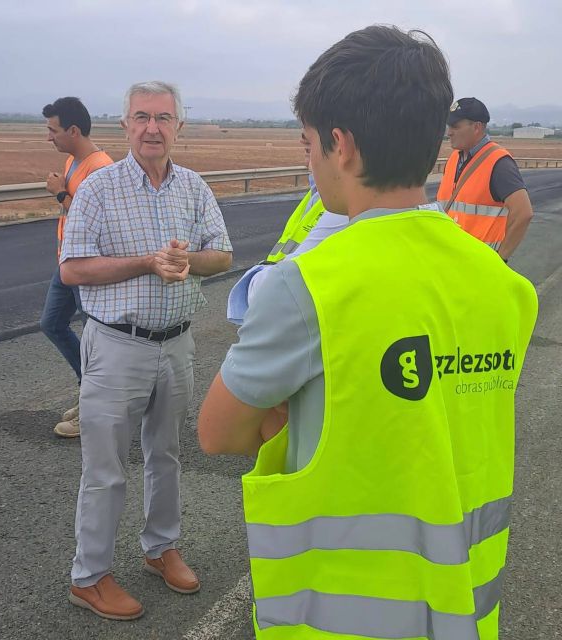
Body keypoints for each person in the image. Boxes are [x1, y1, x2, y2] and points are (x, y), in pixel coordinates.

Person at [198, 25, 537, 640]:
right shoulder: (505, 287)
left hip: (342, 619)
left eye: (307, 144)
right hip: (467, 610)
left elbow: (216, 432)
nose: (308, 161)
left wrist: (290, 418)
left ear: (341, 145)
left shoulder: (310, 286)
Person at [59, 81, 232, 620]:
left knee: (166, 454)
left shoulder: (194, 187)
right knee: (105, 466)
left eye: (163, 117)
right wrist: (147, 262)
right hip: (116, 346)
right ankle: (89, 576)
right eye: (141, 117)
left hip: (175, 343)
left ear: (179, 125)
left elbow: (222, 255)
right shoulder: (99, 189)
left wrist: (188, 262)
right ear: (125, 125)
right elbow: (72, 269)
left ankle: (161, 547)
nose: (153, 127)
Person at [40, 97, 113, 438]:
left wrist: (59, 194)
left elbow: (96, 222)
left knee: (94, 337)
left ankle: (94, 406)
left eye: (53, 130)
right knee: (52, 323)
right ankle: (89, 390)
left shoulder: (101, 169)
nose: (49, 137)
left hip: (87, 266)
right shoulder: (72, 160)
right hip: (67, 262)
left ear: (72, 130)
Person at [227, 133, 349, 324]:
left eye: (312, 126)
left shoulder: (341, 205)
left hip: (291, 320)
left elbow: (269, 293)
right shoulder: (316, 194)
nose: (303, 137)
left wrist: (258, 278)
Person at [437, 97, 533, 260]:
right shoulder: (454, 159)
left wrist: (500, 260)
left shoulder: (499, 163)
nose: (449, 132)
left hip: (479, 265)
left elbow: (523, 213)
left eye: (455, 126)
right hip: (450, 260)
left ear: (476, 127)